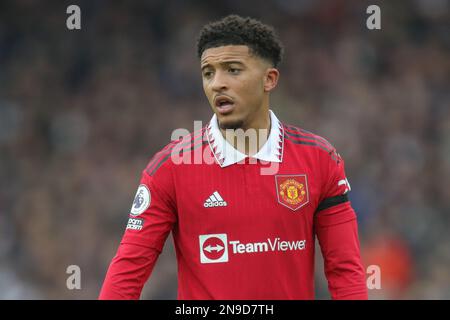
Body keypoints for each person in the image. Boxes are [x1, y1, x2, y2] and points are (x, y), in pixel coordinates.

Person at [99, 14, 368, 300]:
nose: (217, 84)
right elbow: (127, 273)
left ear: (269, 79)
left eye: (233, 70)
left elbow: (345, 271)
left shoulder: (319, 159)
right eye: (208, 73)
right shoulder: (170, 168)